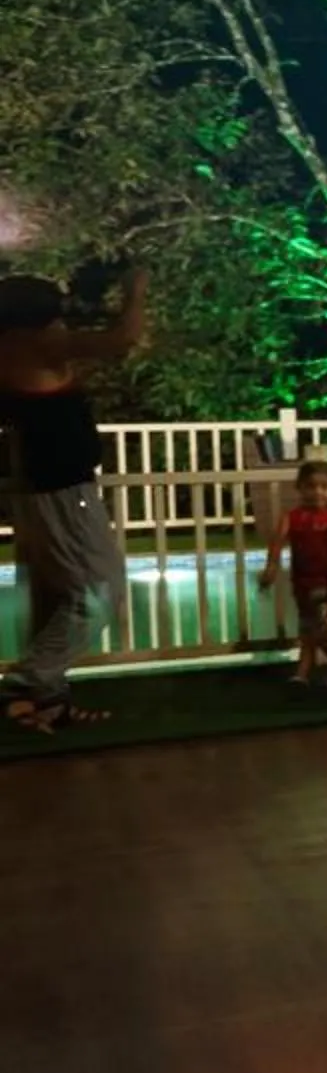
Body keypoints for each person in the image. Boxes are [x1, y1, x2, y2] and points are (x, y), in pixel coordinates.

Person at [0, 267, 142, 733]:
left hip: (45, 488)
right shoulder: (35, 345)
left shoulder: (18, 346)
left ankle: (49, 704)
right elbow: (124, 339)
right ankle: (28, 680)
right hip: (61, 490)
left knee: (61, 595)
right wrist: (136, 289)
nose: (63, 323)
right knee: (100, 592)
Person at [261, 459, 327, 687]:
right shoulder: (291, 517)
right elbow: (277, 542)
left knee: (315, 625)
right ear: (299, 487)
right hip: (301, 582)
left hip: (324, 581)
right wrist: (271, 566)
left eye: (324, 486)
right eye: (310, 486)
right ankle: (304, 672)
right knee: (308, 627)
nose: (317, 492)